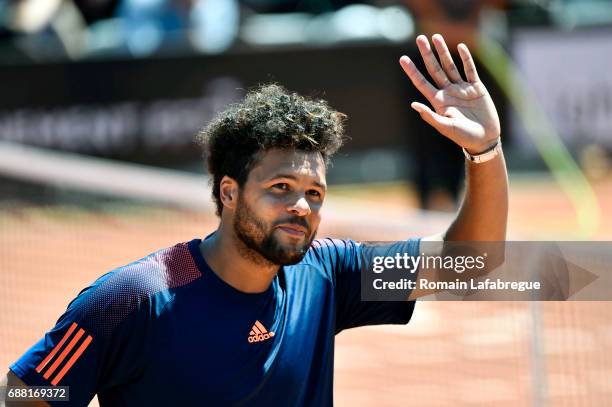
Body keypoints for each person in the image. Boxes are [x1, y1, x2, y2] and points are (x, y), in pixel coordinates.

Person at [1, 34, 508, 406]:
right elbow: (25, 396)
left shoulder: (326, 274)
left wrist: (485, 151)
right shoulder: (131, 300)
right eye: (280, 189)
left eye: (314, 193)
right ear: (228, 191)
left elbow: (470, 263)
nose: (302, 208)